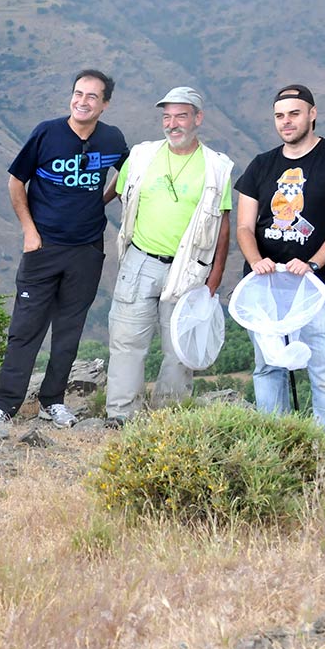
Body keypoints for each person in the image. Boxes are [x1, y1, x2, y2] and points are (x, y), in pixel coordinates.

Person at [0, 70, 127, 439]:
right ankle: (5, 405)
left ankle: (52, 401)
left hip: (87, 249)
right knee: (25, 329)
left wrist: (102, 199)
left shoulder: (111, 138)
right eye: (78, 93)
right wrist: (29, 231)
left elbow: (129, 174)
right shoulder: (47, 133)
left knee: (68, 330)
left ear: (105, 104)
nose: (82, 101)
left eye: (92, 96)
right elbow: (16, 180)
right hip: (43, 247)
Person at [235, 84, 325, 438]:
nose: (286, 121)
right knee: (268, 368)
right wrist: (256, 261)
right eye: (279, 116)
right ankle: (274, 447)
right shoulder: (261, 165)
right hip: (266, 286)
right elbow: (245, 227)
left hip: (317, 286)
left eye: (294, 113)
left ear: (312, 113)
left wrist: (312, 264)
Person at [103, 86, 234, 426]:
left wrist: (214, 279)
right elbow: (123, 194)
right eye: (167, 116)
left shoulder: (216, 167)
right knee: (127, 341)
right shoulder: (142, 155)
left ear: (198, 118)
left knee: (179, 349)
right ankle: (121, 415)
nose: (172, 123)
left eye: (181, 116)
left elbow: (223, 225)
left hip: (189, 269)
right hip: (141, 260)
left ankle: (168, 419)